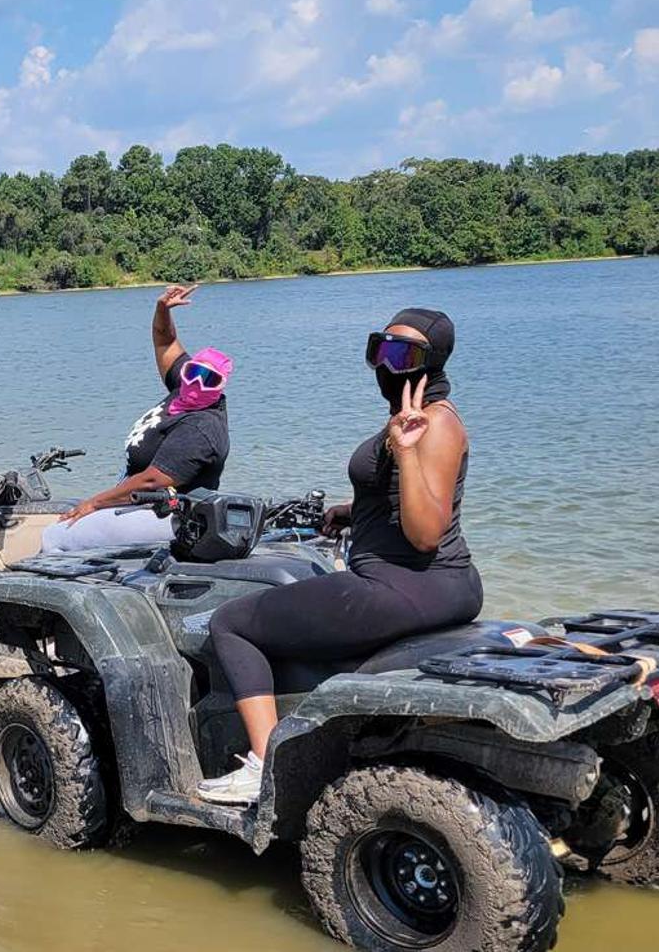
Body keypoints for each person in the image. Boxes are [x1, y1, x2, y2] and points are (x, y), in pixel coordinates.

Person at [197, 309, 479, 805]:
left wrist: (406, 450)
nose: (387, 365)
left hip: (401, 585)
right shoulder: (421, 418)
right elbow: (407, 496)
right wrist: (352, 512)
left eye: (403, 353)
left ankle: (265, 766)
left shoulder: (432, 425)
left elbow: (426, 533)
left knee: (231, 624)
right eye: (380, 348)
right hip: (446, 587)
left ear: (432, 362)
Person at [42, 283, 233, 553]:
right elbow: (165, 341)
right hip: (142, 504)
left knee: (56, 535)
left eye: (209, 379)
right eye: (194, 373)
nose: (198, 383)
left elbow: (151, 481)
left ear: (221, 386)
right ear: (187, 371)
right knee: (67, 516)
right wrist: (162, 309)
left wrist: (94, 503)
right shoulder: (183, 389)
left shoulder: (202, 427)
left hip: (173, 517)